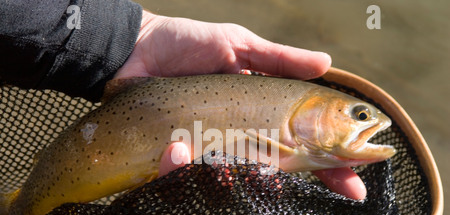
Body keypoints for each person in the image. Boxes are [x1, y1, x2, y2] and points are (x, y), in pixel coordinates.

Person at [0, 0, 366, 200]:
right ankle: (23, 209)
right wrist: (128, 38)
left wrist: (129, 38)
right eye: (359, 115)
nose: (366, 122)